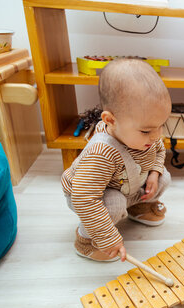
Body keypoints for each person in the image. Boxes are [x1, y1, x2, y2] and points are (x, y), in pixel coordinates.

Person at [62, 59, 172, 262]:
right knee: (114, 202)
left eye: (161, 125)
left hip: (129, 185)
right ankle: (86, 240)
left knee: (164, 176)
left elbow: (159, 152)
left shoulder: (148, 136)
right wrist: (108, 238)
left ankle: (138, 207)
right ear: (111, 120)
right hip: (89, 196)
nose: (157, 135)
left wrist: (155, 174)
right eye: (147, 130)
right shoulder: (101, 153)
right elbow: (84, 199)